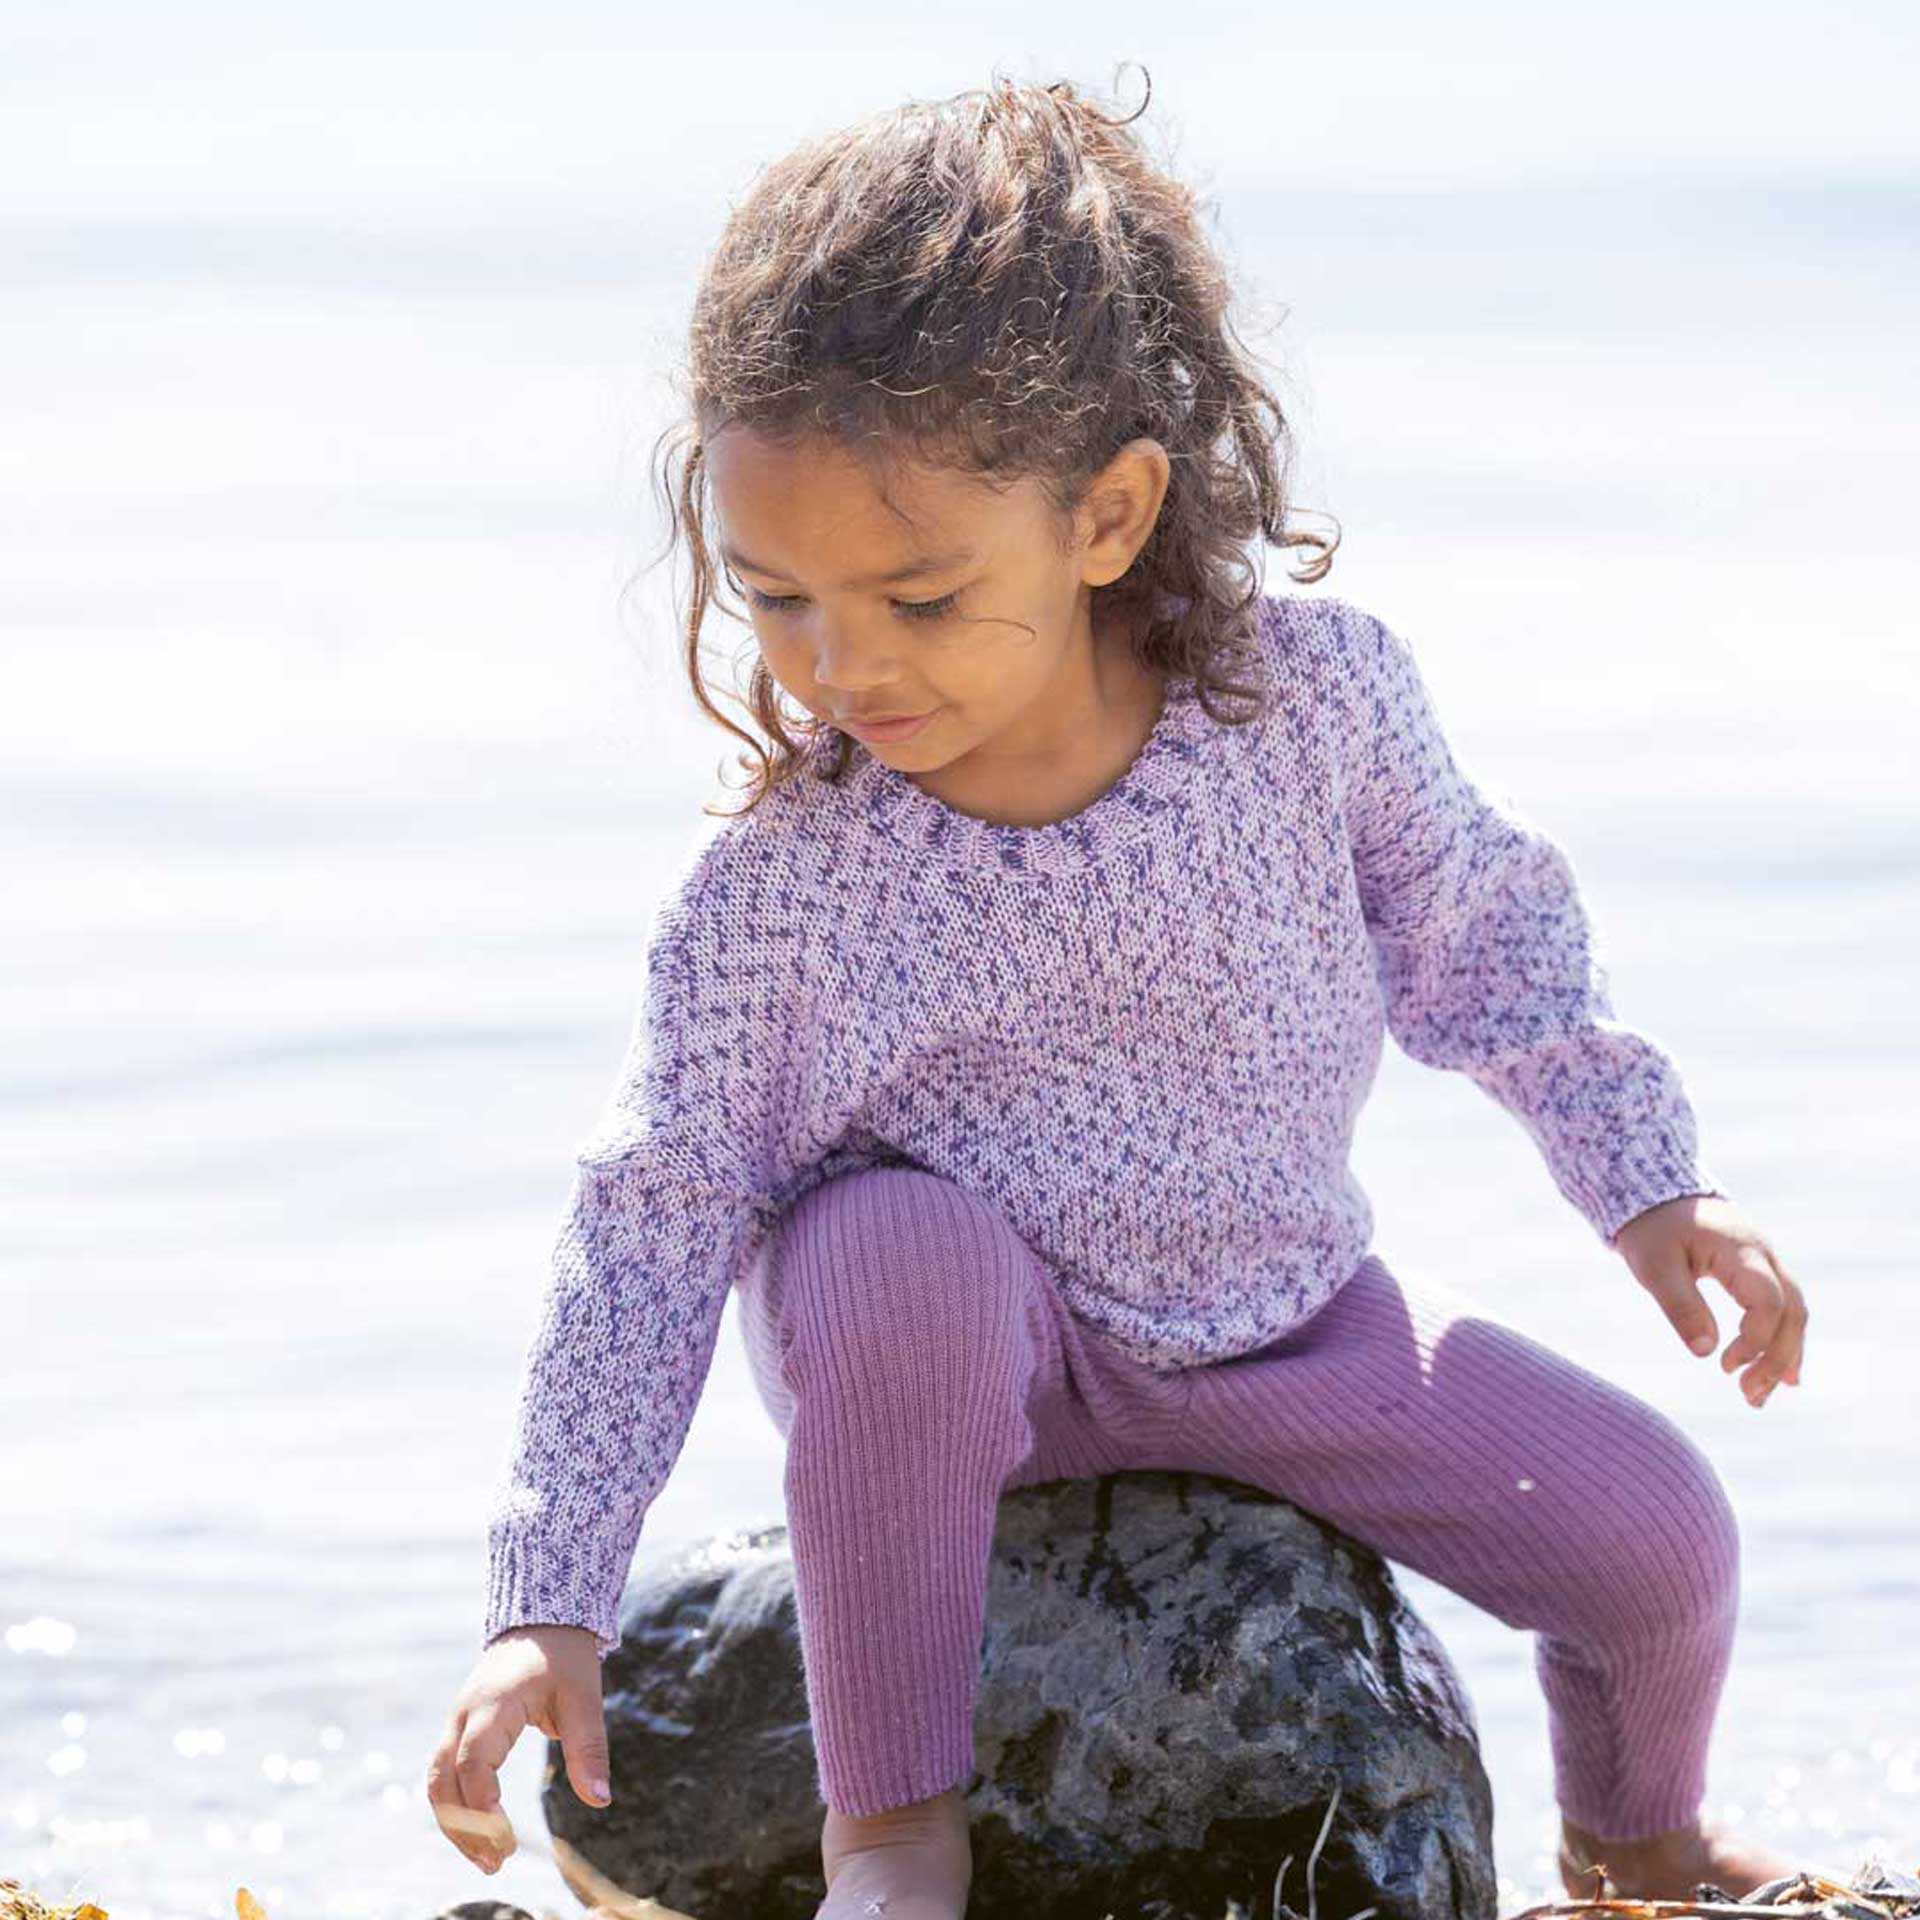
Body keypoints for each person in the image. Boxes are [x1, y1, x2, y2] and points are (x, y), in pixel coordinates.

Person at [425, 67, 1810, 1919]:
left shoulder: (1308, 709)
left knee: (1661, 1535)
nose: (843, 666)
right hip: (962, 1363)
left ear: (1108, 513)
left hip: (1292, 1326)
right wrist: (552, 1591)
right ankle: (891, 1834)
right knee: (888, 1248)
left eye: (916, 598)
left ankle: (1635, 1837)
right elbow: (654, 1218)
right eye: (777, 600)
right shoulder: (784, 883)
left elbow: (1485, 937)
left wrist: (1654, 1184)